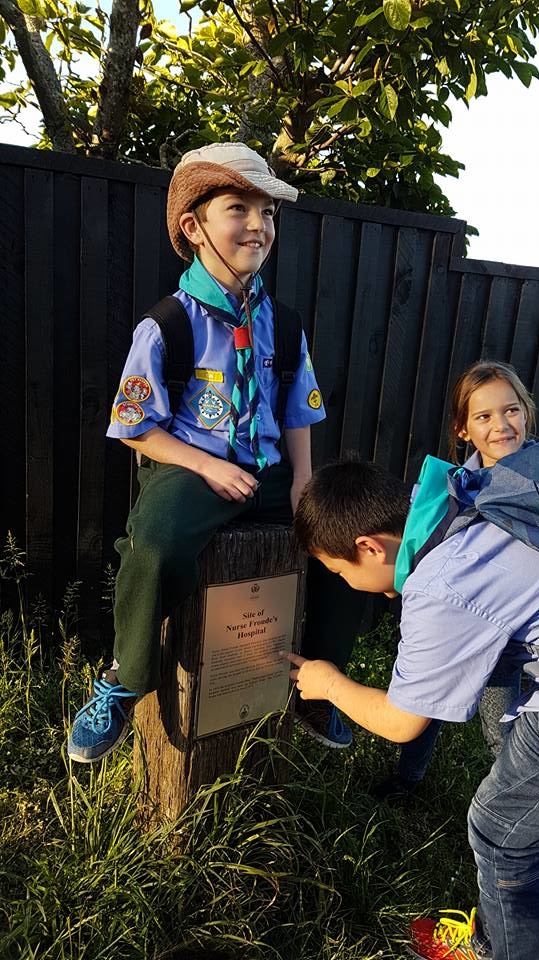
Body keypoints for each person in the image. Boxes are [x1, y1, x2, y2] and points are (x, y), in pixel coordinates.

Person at [284, 452, 539, 960]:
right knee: (531, 820)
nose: (344, 584)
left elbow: (401, 723)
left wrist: (328, 684)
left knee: (501, 832)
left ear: (368, 546)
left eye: (337, 571)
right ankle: (505, 928)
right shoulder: (459, 498)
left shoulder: (444, 582)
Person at [68, 141, 359, 762]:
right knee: (156, 542)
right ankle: (124, 678)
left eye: (269, 213)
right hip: (191, 469)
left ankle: (317, 684)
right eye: (239, 208)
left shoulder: (282, 320)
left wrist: (304, 482)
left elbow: (297, 406)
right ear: (193, 226)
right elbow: (135, 426)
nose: (259, 225)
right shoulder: (169, 324)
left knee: (345, 536)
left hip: (271, 471)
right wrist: (205, 464)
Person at [373, 360, 533, 801]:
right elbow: (419, 543)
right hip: (452, 624)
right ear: (463, 430)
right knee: (426, 704)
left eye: (511, 410)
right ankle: (408, 779)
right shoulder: (454, 486)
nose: (501, 425)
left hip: (508, 630)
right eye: (483, 417)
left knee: (501, 719)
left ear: (526, 411)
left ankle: (516, 803)